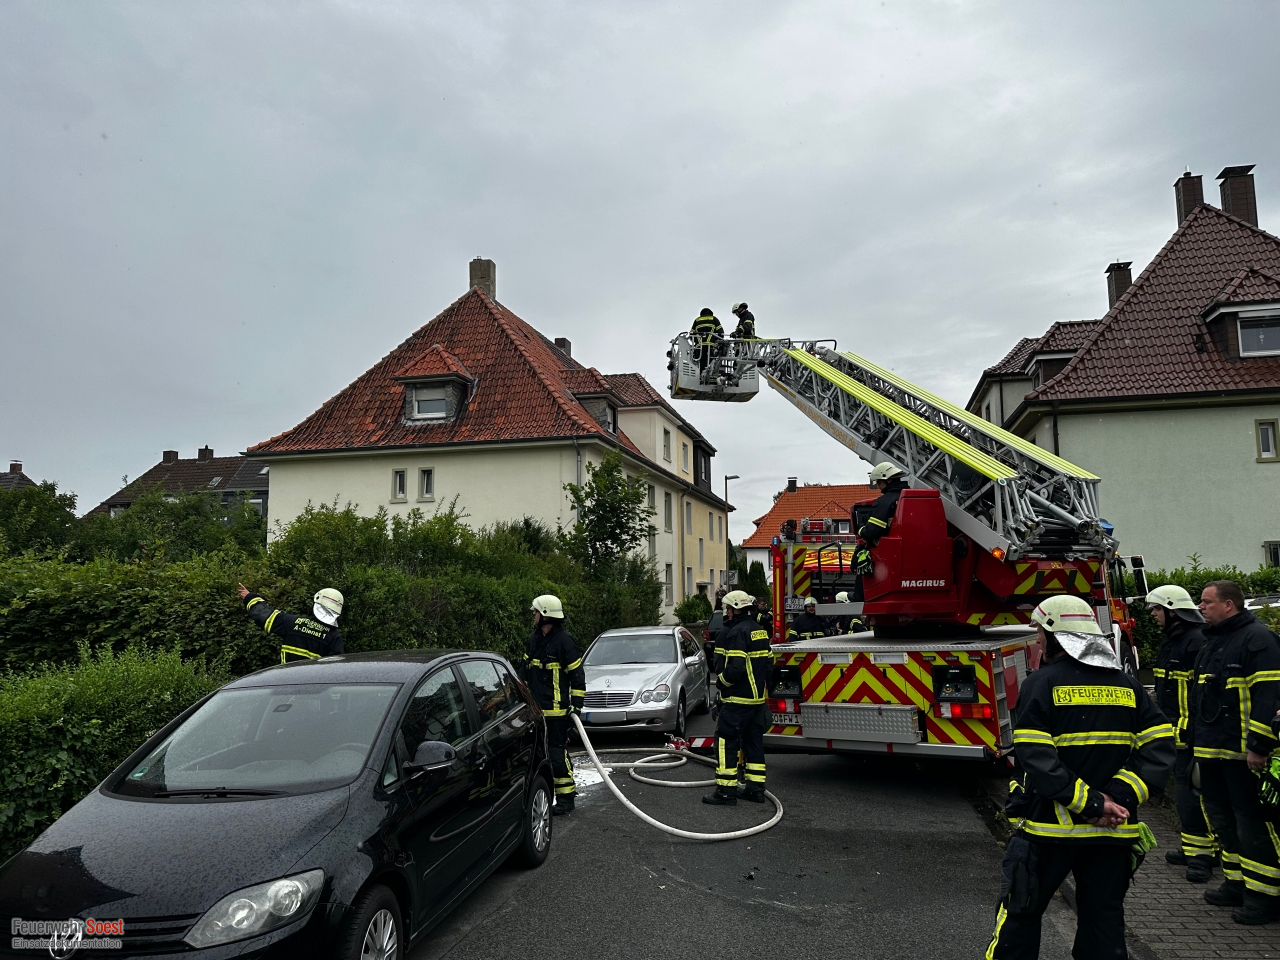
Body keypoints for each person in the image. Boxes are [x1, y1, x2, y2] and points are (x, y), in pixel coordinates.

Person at [985, 595, 1175, 959]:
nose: (1037, 639)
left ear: (1056, 635)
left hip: (1048, 832)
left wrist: (1091, 804)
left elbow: (1036, 757)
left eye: (1040, 632)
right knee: (1104, 925)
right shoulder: (1128, 686)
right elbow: (1160, 750)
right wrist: (1115, 798)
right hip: (1113, 834)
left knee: (1020, 916)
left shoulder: (1041, 684)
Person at [1190, 580, 1280, 924]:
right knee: (1223, 821)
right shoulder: (1214, 642)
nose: (1201, 607)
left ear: (1229, 604)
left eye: (1207, 601)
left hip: (1243, 755)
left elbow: (1269, 697)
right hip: (1213, 752)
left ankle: (1265, 897)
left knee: (1251, 824)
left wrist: (1259, 745)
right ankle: (1237, 883)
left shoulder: (1258, 640)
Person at [1146, 585, 1218, 883]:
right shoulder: (1172, 642)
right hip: (1177, 735)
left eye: (1157, 609)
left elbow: (1204, 696)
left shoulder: (1196, 642)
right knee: (1185, 796)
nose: (1153, 614)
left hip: (1193, 737)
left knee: (1197, 796)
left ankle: (1205, 856)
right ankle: (1193, 848)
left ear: (1173, 611)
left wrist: (1195, 731)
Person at [704, 590, 772, 806]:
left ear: (734, 609)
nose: (727, 612)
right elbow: (769, 665)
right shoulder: (760, 631)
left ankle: (725, 791)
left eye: (728, 608)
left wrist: (721, 684)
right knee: (753, 743)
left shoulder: (736, 633)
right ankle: (755, 789)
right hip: (757, 702)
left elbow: (735, 668)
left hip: (737, 701)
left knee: (726, 742)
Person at [524, 595, 586, 815]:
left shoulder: (565, 642)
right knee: (537, 757)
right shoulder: (534, 640)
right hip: (535, 713)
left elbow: (577, 678)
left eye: (536, 611)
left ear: (545, 614)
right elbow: (524, 673)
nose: (533, 614)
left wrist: (576, 707)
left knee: (557, 756)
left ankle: (566, 799)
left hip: (557, 714)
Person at [238, 583, 345, 663]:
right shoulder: (334, 637)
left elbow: (265, 616)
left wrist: (249, 597)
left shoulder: (292, 622)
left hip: (287, 682)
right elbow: (335, 670)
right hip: (314, 686)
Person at [690, 307, 724, 371]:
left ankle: (700, 373)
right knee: (711, 362)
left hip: (699, 346)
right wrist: (717, 342)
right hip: (711, 346)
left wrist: (696, 342)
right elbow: (721, 333)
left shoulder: (697, 320)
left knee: (700, 362)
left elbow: (691, 334)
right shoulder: (714, 319)